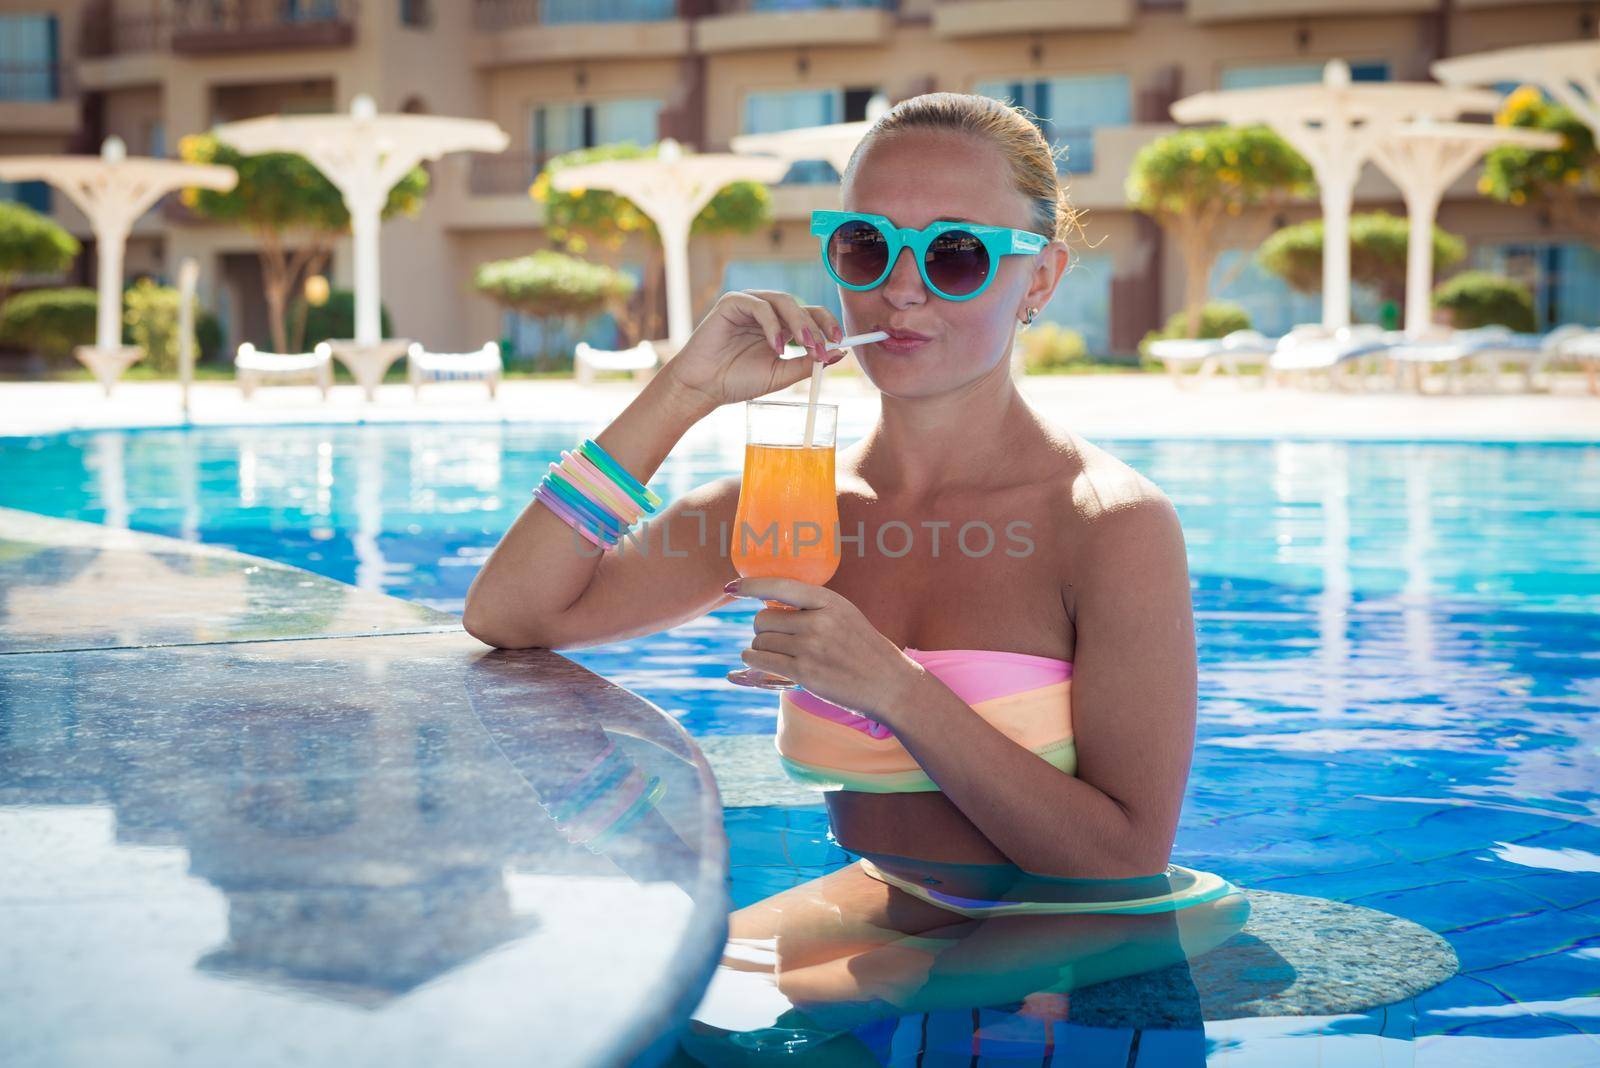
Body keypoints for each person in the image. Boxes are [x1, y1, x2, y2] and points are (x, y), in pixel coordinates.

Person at [464, 92, 1246, 1054]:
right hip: (883, 917)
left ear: (1038, 279)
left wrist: (892, 687)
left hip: (1070, 975)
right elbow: (512, 612)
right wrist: (682, 393)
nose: (904, 289)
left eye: (954, 253)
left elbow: (1124, 861)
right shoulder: (782, 506)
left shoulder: (1108, 524)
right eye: (868, 249)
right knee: (568, 1020)